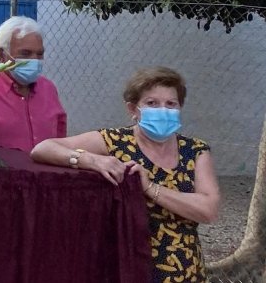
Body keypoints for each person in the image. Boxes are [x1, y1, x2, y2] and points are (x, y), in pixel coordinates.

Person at [31, 67, 219, 283]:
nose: (163, 110)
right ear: (133, 109)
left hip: (185, 270)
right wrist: (90, 159)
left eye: (171, 104)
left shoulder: (194, 150)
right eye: (152, 103)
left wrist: (150, 188)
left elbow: (209, 210)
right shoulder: (115, 141)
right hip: (128, 268)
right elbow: (43, 148)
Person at [0, 16, 66, 152]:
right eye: (25, 54)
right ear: (2, 55)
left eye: (39, 54)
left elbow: (61, 140)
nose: (35, 60)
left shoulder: (48, 89)